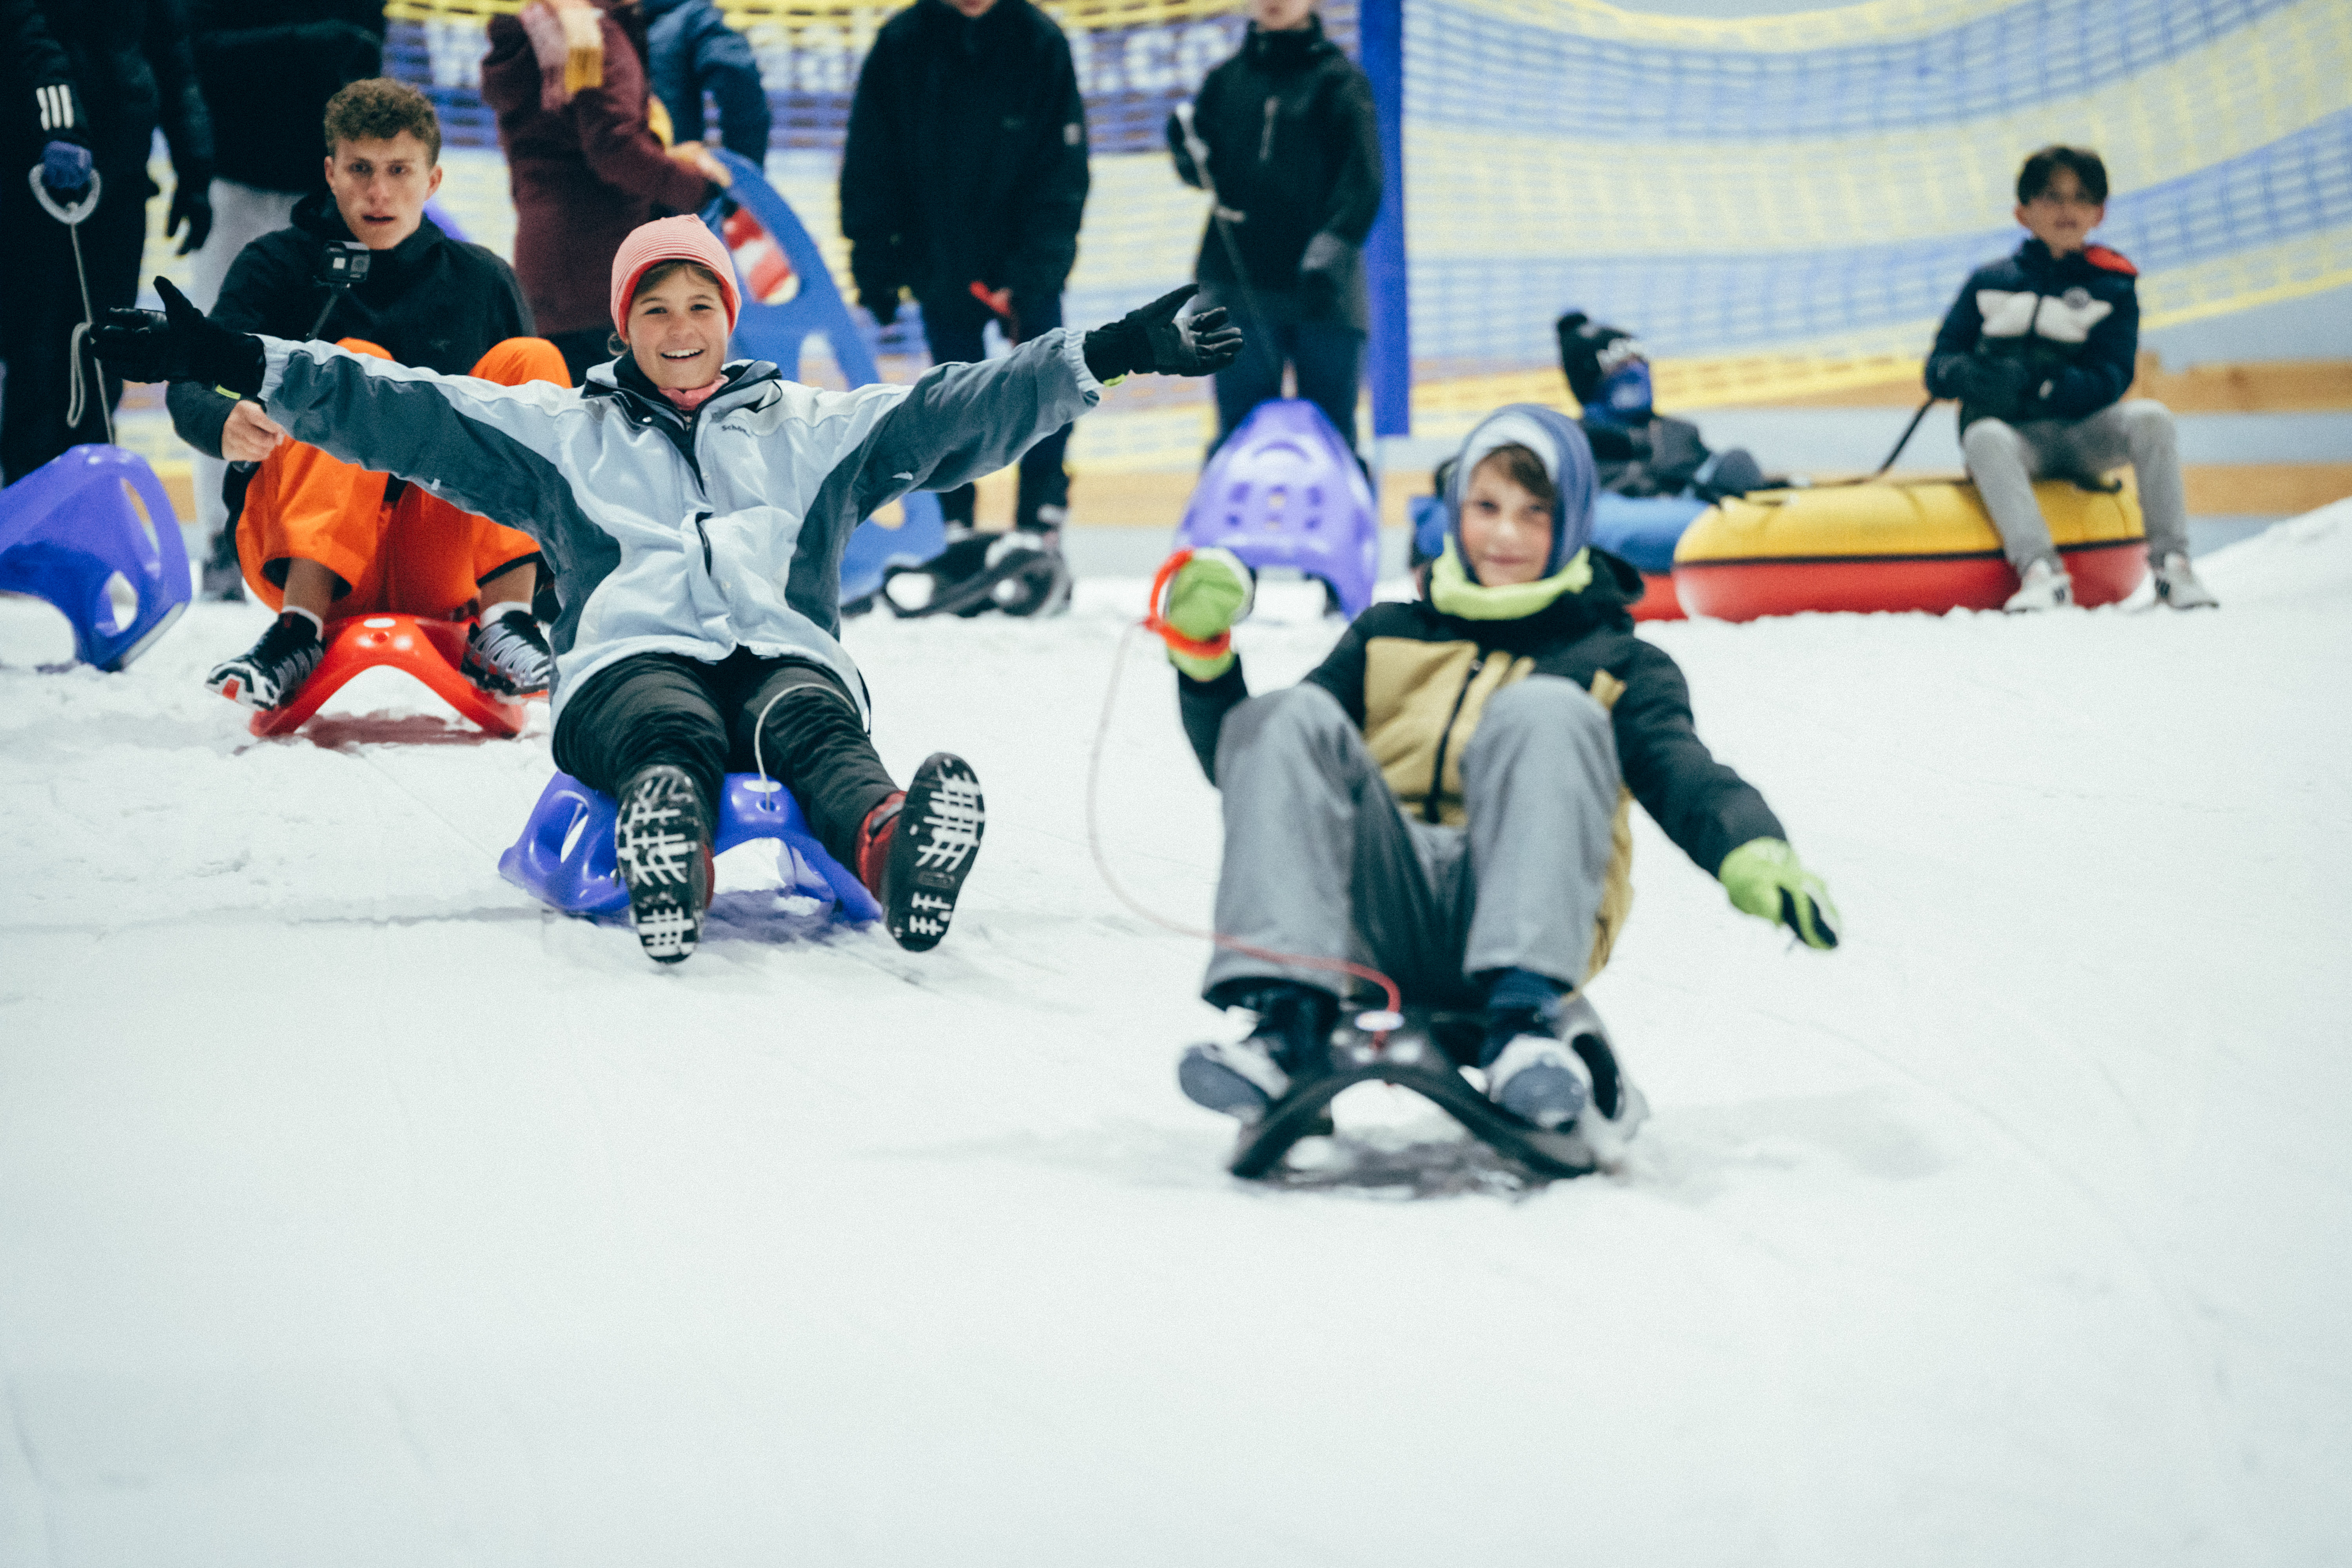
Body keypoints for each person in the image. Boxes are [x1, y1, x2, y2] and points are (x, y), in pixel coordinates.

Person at [98, 216, 1242, 964]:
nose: (680, 329)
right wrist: (227, 359)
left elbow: (957, 408)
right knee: (666, 720)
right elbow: (401, 410)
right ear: (624, 326)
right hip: (627, 665)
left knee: (816, 728)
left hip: (783, 656)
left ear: (729, 320)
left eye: (699, 307)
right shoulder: (565, 430)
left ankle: (895, 849)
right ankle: (669, 855)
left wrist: (1111, 350)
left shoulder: (812, 427)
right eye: (655, 309)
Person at [1155, 405, 1838, 1146]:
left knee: (1547, 710)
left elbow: (1685, 773)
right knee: (1290, 715)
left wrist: (1751, 846)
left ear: (1572, 523)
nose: (1505, 534)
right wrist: (1204, 661)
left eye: (1534, 512)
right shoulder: (1386, 635)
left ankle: (1524, 1024)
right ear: (1456, 513)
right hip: (1380, 906)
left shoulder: (1619, 663)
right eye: (1485, 507)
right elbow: (1271, 775)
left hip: (1527, 906)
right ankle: (1284, 1026)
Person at [169, 76, 560, 710]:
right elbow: (190, 381)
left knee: (534, 361)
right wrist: (222, 419)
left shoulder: (481, 280)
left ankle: (507, 623)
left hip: (439, 555)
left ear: (433, 180)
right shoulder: (275, 266)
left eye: (399, 170)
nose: (379, 192)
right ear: (330, 173)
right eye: (360, 170)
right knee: (353, 366)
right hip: (292, 549)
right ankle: (296, 631)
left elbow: (542, 444)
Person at [838, 0, 1090, 616]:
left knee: (1050, 386)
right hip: (940, 262)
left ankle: (1039, 528)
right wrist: (875, 260)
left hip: (1027, 263)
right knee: (951, 402)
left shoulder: (1040, 43)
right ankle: (954, 535)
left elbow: (1062, 170)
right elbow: (872, 158)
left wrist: (1033, 273)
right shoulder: (902, 43)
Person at [1926, 145, 2217, 612]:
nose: (2067, 209)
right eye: (2051, 197)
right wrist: (1970, 376)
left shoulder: (2114, 286)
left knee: (2152, 418)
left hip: (2084, 436)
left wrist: (2041, 384)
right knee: (1983, 437)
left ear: (2099, 213)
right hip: (2017, 442)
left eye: (2082, 198)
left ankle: (2174, 566)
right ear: (2023, 212)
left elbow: (2113, 375)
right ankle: (2041, 573)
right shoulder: (1988, 282)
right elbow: (1939, 365)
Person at [181, 0, 384, 596]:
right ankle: (222, 536)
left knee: (334, 367)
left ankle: (317, 541)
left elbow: (364, 55)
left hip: (326, 191)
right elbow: (196, 56)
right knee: (216, 359)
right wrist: (305, 44)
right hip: (235, 178)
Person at [1, 0, 212, 485]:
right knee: (35, 358)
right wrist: (61, 127)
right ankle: (28, 508)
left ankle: (92, 500)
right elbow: (26, 34)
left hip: (121, 186)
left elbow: (173, 52)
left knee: (105, 350)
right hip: (33, 184)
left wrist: (195, 164)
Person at [1165, 0, 1379, 463]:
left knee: (1333, 441)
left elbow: (1363, 182)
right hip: (1237, 287)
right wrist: (1186, 152)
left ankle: (1343, 514)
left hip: (1324, 293)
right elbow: (1207, 172)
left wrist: (1332, 248)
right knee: (1238, 437)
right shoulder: (1224, 81)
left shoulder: (1342, 82)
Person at [481, 0, 730, 384]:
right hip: (598, 269)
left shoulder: (533, 30)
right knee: (611, 416)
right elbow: (616, 149)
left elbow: (558, 149)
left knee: (563, 410)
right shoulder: (590, 35)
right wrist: (700, 186)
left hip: (544, 265)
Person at [1554, 311, 1764, 501]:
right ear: (1588, 378)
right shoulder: (1574, 447)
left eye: (1640, 362)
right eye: (1621, 365)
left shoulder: (1681, 434)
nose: (1636, 371)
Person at [641, 0, 770, 169]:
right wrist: (743, 170)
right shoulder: (693, 16)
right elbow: (740, 83)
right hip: (670, 172)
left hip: (617, 172)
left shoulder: (610, 21)